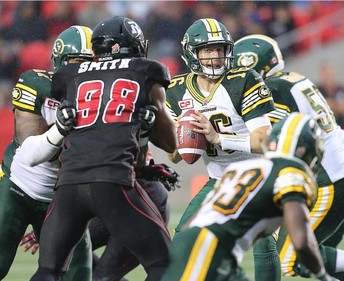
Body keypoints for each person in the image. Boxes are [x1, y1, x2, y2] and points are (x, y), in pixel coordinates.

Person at [29, 16, 177, 281]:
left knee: (48, 270)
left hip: (68, 187)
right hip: (114, 182)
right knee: (165, 265)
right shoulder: (147, 71)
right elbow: (170, 144)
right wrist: (146, 127)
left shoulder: (69, 76)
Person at [234, 34, 344, 281]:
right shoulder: (293, 79)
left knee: (294, 258)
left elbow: (266, 142)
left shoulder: (272, 91)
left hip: (331, 180)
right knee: (328, 263)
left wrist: (219, 138)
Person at [162, 113, 338, 281]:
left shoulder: (244, 167)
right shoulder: (290, 172)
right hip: (209, 249)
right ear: (303, 149)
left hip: (199, 242)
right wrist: (322, 275)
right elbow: (301, 241)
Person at [166, 17, 276, 281]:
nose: (215, 56)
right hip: (219, 179)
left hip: (257, 175)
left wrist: (217, 138)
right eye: (207, 50)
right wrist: (184, 136)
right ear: (192, 53)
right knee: (183, 241)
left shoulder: (244, 79)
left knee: (262, 241)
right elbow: (176, 156)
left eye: (220, 49)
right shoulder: (176, 90)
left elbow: (264, 141)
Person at [0, 25, 94, 280]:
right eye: (77, 63)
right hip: (18, 188)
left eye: (90, 64)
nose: (83, 71)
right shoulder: (35, 83)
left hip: (63, 198)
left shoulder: (104, 100)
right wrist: (61, 129)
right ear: (61, 62)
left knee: (79, 276)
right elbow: (30, 151)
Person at [316, 62, 344, 143]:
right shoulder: (318, 91)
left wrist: (335, 107)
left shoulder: (341, 89)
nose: (329, 77)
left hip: (342, 126)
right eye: (326, 75)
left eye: (330, 74)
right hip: (325, 131)